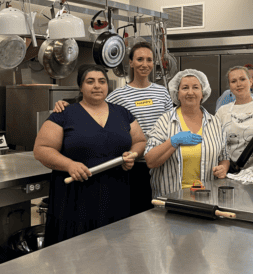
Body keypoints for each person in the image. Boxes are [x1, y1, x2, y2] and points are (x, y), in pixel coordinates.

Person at [53, 42, 173, 215]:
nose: (144, 64)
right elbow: (94, 106)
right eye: (139, 59)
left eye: (149, 60)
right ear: (131, 62)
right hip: (132, 165)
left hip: (161, 162)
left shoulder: (162, 92)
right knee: (136, 213)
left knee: (161, 212)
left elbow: (172, 123)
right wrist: (67, 105)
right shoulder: (117, 95)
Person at [34, 64, 147, 247]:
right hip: (75, 199)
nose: (97, 86)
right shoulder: (64, 114)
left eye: (102, 81)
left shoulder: (122, 113)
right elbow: (41, 149)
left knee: (115, 249)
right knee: (76, 251)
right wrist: (69, 164)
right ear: (81, 86)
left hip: (116, 194)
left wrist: (132, 154)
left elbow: (140, 140)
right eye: (90, 81)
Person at [144, 69, 230, 198]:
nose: (190, 92)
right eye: (185, 88)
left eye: (195, 87)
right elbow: (150, 161)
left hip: (207, 197)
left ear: (203, 93)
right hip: (171, 198)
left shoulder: (215, 123)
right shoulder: (165, 121)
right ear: (177, 94)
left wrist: (223, 168)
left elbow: (224, 156)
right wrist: (173, 141)